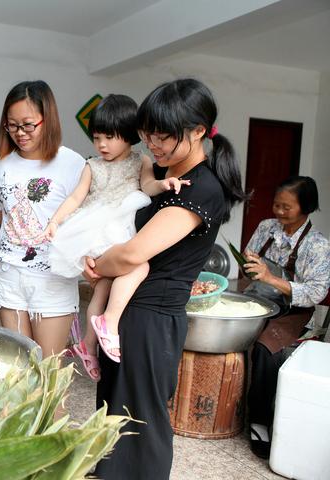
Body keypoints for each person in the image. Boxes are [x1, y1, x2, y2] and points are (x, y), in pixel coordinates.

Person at [83, 78, 247, 479]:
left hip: (150, 320)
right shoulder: (162, 177)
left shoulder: (202, 188)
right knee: (115, 418)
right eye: (146, 134)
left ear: (196, 132)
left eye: (162, 136)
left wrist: (100, 265)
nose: (152, 144)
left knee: (139, 427)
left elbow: (136, 252)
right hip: (130, 314)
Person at [43, 94, 187, 380]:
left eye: (109, 137)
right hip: (96, 230)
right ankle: (109, 322)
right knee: (140, 265)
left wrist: (164, 184)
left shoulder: (140, 161)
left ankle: (87, 343)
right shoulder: (92, 165)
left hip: (120, 228)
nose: (102, 145)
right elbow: (75, 198)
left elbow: (147, 186)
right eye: (97, 138)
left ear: (128, 136)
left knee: (103, 286)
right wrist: (55, 221)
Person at [0, 80, 86, 358]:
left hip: (52, 279)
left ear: (47, 119)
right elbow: (0, 211)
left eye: (28, 125)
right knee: (19, 368)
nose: (19, 133)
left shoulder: (72, 164)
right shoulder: (1, 163)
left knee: (47, 371)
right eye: (12, 125)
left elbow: (85, 220)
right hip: (10, 275)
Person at [242, 176, 330, 459]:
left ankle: (259, 422)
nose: (278, 212)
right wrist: (250, 267)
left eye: (286, 207)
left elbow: (316, 292)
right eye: (276, 204)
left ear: (306, 208)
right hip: (258, 299)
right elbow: (250, 256)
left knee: (267, 348)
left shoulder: (317, 246)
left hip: (293, 311)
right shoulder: (267, 227)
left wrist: (272, 278)